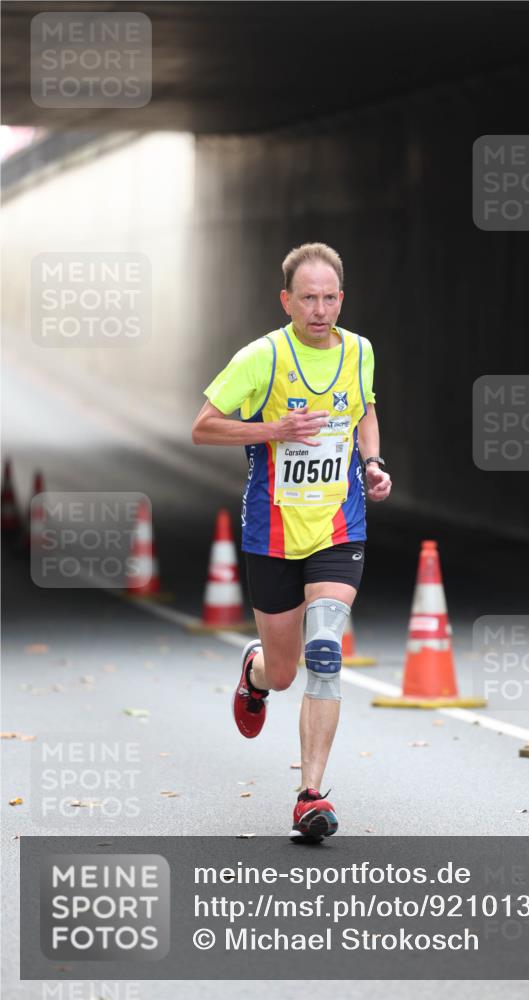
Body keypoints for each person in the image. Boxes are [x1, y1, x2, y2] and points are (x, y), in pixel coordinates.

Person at [192, 242, 391, 840]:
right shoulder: (262, 358)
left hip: (338, 526)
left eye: (330, 297)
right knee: (284, 672)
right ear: (286, 300)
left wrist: (374, 463)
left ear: (341, 299)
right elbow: (203, 427)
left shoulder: (360, 352)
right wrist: (272, 429)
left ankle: (310, 796)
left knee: (325, 650)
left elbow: (364, 412)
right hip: (272, 532)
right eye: (308, 298)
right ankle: (254, 672)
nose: (320, 309)